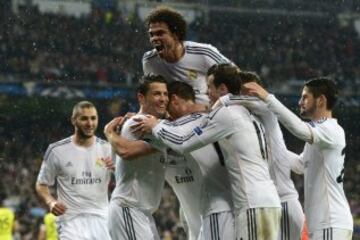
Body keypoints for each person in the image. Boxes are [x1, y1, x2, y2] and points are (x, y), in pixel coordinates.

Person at [137, 63, 282, 240]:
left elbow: (181, 141)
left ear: (174, 100)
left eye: (209, 89)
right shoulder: (242, 115)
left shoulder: (206, 119)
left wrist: (154, 123)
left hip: (226, 206)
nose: (207, 96)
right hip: (251, 200)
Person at [243, 77, 353, 239]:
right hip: (324, 223)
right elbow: (300, 165)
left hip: (330, 222)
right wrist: (265, 146)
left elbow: (299, 129)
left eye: (305, 97)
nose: (300, 102)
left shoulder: (329, 129)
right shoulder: (322, 133)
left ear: (321, 100)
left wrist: (268, 98)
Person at [214, 71, 306, 240]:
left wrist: (223, 99)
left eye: (252, 92)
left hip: (283, 201)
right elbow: (283, 155)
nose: (248, 97)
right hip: (268, 204)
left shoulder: (266, 111)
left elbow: (262, 103)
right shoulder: (247, 125)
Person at [35, 101, 113, 240]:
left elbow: (126, 179)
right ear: (73, 120)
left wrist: (117, 169)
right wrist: (50, 202)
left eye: (93, 118)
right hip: (70, 220)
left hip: (102, 219)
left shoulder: (108, 149)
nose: (90, 123)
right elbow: (41, 184)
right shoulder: (56, 150)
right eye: (84, 118)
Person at [104, 75, 169, 240]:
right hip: (129, 208)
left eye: (165, 94)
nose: (163, 99)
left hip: (141, 212)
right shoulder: (139, 123)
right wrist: (109, 132)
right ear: (141, 97)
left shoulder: (151, 123)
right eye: (156, 94)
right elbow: (126, 151)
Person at [143, 6, 231, 105]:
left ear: (175, 35)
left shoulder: (204, 53)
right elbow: (151, 98)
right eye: (151, 34)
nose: (154, 38)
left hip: (207, 115)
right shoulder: (150, 60)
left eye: (160, 33)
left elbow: (236, 77)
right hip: (172, 117)